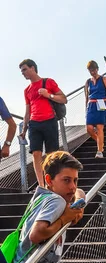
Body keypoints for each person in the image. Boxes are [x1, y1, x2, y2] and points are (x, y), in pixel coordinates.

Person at [19, 59, 67, 187]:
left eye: (24, 69)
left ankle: (51, 183)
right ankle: (41, 185)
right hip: (34, 124)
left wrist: (48, 95)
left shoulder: (48, 82)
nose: (22, 73)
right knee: (36, 154)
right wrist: (23, 130)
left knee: (51, 155)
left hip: (50, 121)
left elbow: (64, 99)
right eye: (21, 71)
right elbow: (27, 112)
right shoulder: (27, 90)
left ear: (32, 68)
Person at [85, 60, 106, 159]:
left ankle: (99, 151)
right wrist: (86, 107)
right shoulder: (88, 82)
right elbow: (86, 97)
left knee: (99, 127)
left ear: (97, 69)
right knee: (89, 128)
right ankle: (100, 143)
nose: (92, 72)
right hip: (91, 105)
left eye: (94, 70)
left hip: (101, 103)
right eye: (90, 70)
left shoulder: (104, 79)